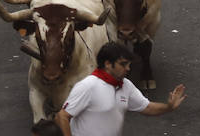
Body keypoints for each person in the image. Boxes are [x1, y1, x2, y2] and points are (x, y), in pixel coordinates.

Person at [55, 42, 187, 136]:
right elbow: (62, 116)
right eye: (123, 64)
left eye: (129, 65)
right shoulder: (88, 86)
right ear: (107, 64)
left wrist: (169, 107)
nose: (128, 69)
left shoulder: (126, 85)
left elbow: (147, 107)